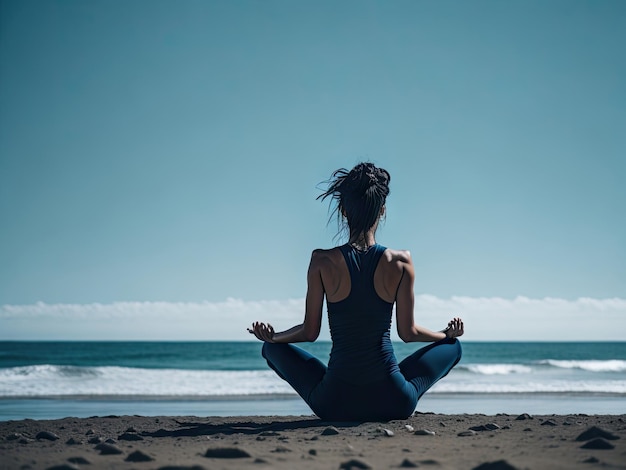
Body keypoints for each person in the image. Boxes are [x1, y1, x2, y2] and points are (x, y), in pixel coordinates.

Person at [248, 162, 463, 421]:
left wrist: (274, 337)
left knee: (271, 350)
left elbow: (309, 332)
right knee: (453, 346)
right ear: (382, 211)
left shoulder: (321, 261)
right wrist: (445, 333)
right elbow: (408, 333)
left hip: (335, 402)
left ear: (343, 210)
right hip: (393, 401)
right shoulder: (401, 261)